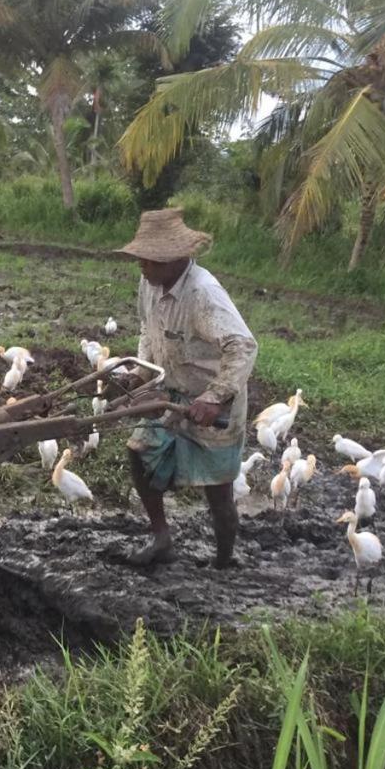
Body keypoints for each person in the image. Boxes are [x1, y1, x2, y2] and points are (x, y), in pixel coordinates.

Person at [113, 207, 258, 569]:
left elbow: (243, 346)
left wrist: (213, 398)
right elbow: (149, 329)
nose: (142, 266)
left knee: (219, 491)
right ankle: (161, 536)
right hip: (172, 391)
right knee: (138, 451)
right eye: (141, 259)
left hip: (217, 402)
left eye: (149, 260)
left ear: (175, 259)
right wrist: (141, 374)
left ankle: (224, 560)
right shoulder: (150, 283)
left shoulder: (204, 293)